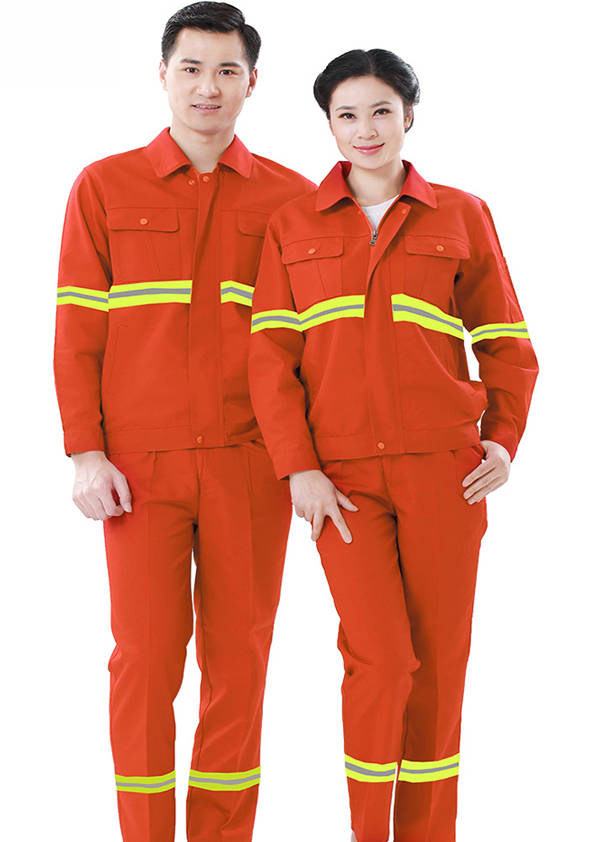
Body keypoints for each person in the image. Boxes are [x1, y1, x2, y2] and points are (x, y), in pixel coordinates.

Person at [248, 48, 539, 842]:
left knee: (438, 665)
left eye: (380, 111)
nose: (365, 129)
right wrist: (298, 468)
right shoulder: (292, 225)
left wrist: (501, 441)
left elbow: (505, 342)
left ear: (408, 115)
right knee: (379, 659)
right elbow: (269, 359)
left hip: (445, 472)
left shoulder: (461, 214)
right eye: (346, 114)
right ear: (328, 124)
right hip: (341, 480)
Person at [52, 3, 315, 841]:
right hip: (141, 468)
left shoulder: (293, 198)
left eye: (226, 70)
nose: (208, 86)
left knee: (239, 664)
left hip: (251, 464)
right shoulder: (103, 186)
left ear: (252, 82)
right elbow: (76, 330)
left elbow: (313, 347)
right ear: (161, 74)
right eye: (191, 68)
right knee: (144, 661)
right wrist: (86, 453)